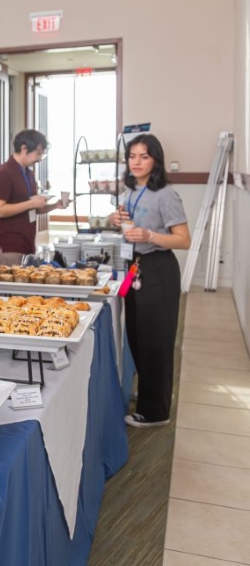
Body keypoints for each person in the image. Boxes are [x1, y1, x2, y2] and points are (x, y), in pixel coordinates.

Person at [108, 133, 190, 428]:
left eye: (144, 156)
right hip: (136, 267)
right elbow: (132, 225)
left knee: (156, 341)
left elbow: (183, 240)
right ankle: (151, 392)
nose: (137, 162)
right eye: (132, 156)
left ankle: (156, 412)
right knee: (138, 337)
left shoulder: (166, 194)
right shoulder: (131, 190)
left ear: (156, 160)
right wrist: (116, 220)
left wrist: (150, 235)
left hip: (158, 269)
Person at [0, 129, 64, 266]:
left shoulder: (28, 173)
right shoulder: (4, 173)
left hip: (27, 242)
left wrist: (55, 205)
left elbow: (34, 208)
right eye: (38, 153)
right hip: (10, 244)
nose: (40, 159)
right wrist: (31, 203)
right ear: (24, 149)